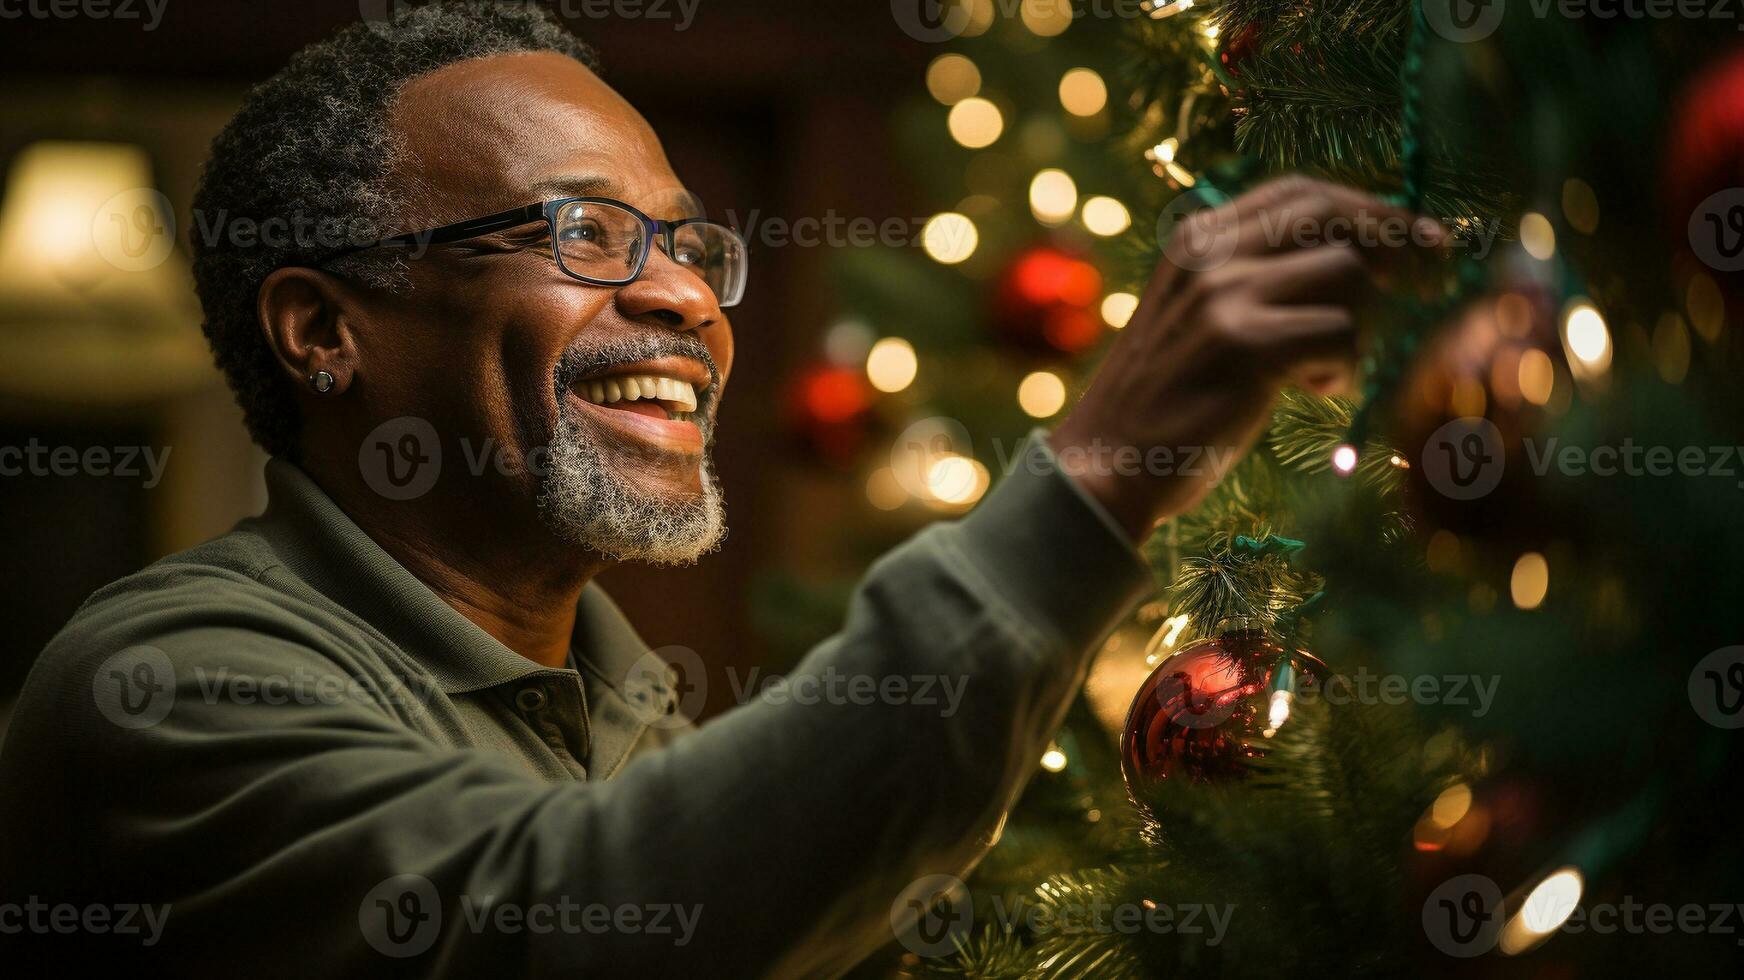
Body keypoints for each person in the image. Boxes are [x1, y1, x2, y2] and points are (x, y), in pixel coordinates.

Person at [0, 4, 1443, 976]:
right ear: (326, 332)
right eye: (589, 235)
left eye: (691, 245)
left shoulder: (631, 715)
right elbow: (569, 923)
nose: (686, 297)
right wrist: (1088, 485)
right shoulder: (171, 681)